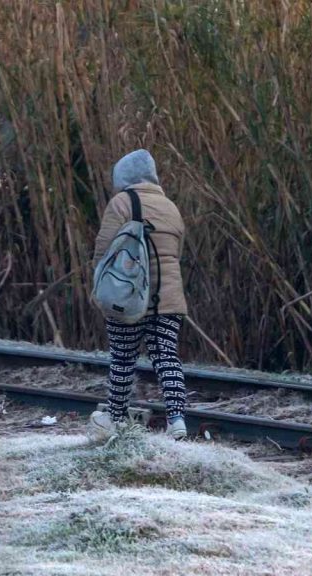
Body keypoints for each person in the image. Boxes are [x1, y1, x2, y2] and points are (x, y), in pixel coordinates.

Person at [90, 149, 189, 441]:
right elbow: (177, 253)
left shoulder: (122, 202)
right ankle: (177, 421)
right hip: (168, 297)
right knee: (167, 356)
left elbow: (104, 249)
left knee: (123, 357)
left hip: (128, 296)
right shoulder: (170, 207)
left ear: (123, 177)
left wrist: (100, 285)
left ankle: (115, 418)